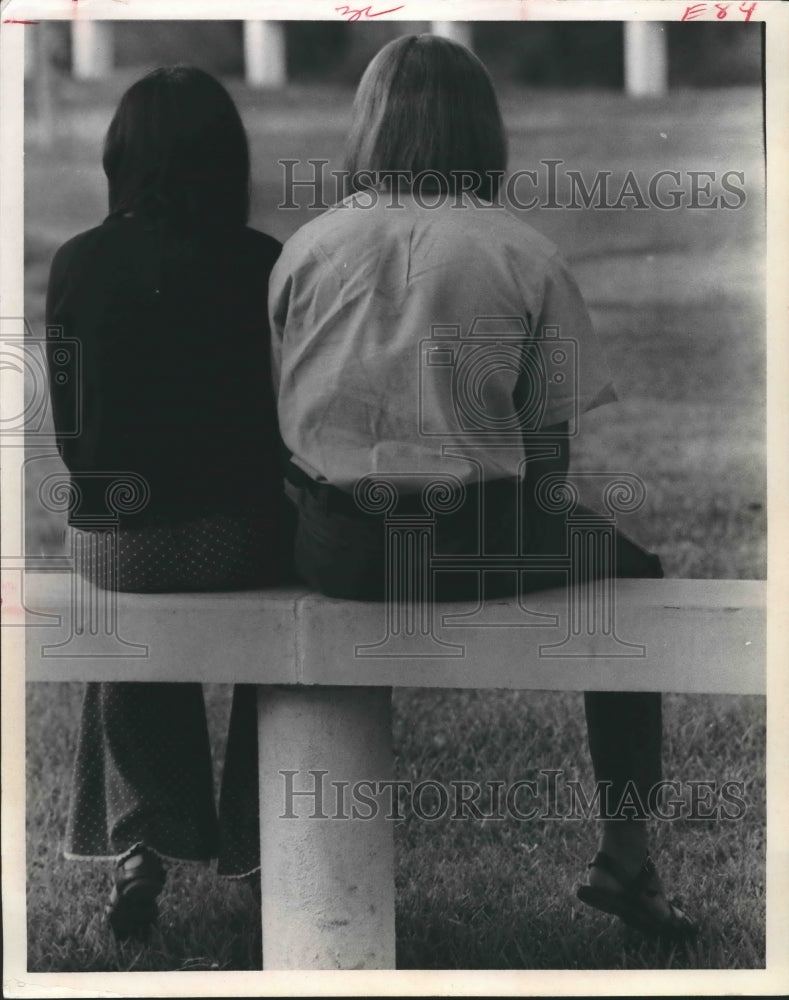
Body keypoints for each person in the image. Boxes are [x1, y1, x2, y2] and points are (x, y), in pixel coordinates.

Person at [269, 34, 696, 942]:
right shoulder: (521, 253)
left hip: (334, 546)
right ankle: (626, 854)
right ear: (481, 131)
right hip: (470, 536)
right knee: (633, 578)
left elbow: (282, 413)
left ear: (368, 126)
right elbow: (548, 464)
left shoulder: (306, 245)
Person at [45, 66, 289, 941]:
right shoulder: (262, 261)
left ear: (121, 157)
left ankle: (141, 842)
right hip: (239, 539)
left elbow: (76, 438)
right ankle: (268, 845)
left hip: (112, 543)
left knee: (124, 584)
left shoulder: (76, 261)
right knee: (297, 625)